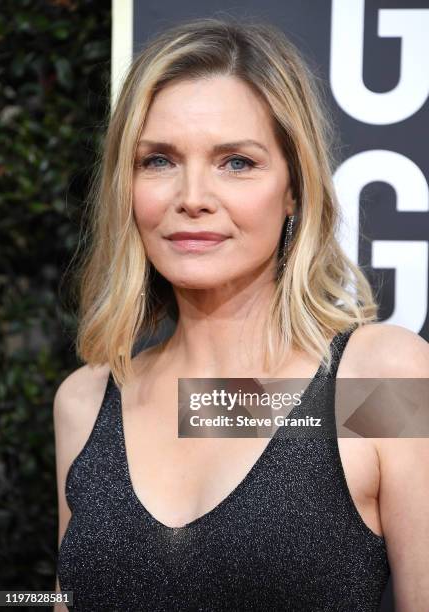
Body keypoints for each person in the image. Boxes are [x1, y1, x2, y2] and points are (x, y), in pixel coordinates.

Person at [53, 16, 429, 612]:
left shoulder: (379, 380)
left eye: (237, 162)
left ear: (295, 190)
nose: (193, 196)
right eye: (158, 161)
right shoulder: (86, 401)